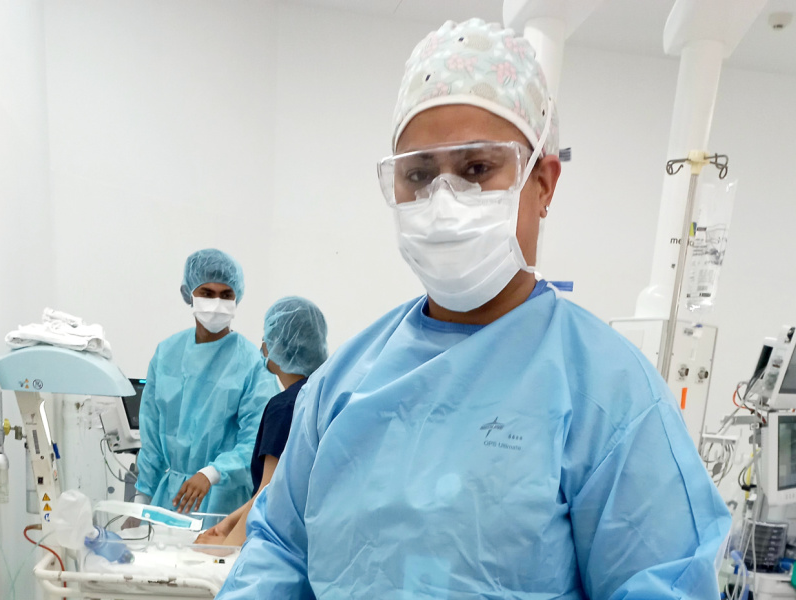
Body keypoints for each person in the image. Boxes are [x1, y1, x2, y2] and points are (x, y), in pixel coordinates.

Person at [217, 19, 731, 600]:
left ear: (544, 181)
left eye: (477, 169)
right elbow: (279, 553)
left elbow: (660, 584)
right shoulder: (343, 384)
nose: (444, 200)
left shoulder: (611, 397)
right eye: (419, 173)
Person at [133, 249, 280, 517]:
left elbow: (256, 441)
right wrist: (141, 496)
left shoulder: (252, 363)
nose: (216, 302)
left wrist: (212, 473)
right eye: (207, 293)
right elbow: (152, 434)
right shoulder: (167, 354)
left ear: (238, 297)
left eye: (226, 295)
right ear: (189, 293)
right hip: (170, 500)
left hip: (224, 502)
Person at [195, 297, 328, 546]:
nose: (263, 346)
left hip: (284, 544)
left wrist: (225, 550)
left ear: (277, 346)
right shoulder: (324, 395)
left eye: (268, 337)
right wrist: (228, 524)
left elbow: (268, 495)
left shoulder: (286, 407)